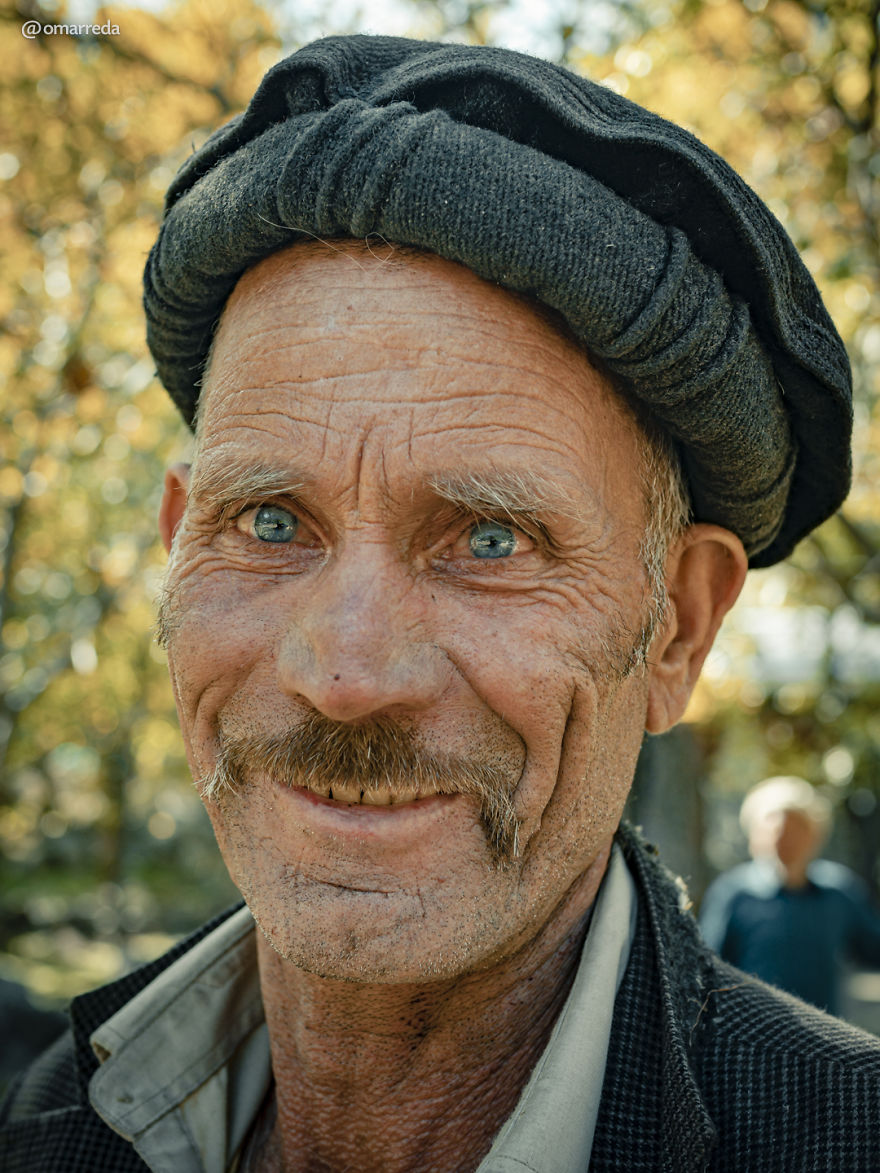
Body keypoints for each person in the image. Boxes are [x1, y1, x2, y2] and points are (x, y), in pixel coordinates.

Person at [2, 34, 879, 1173]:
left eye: (489, 538)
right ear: (179, 547)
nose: (345, 674)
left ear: (678, 625)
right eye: (269, 522)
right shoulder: (49, 1120)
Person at [699, 775, 880, 1015]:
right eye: (774, 829)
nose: (785, 838)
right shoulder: (734, 894)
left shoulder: (838, 892)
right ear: (754, 836)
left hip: (824, 1034)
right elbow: (704, 971)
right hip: (752, 1037)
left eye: (797, 828)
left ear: (816, 836)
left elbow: (873, 948)